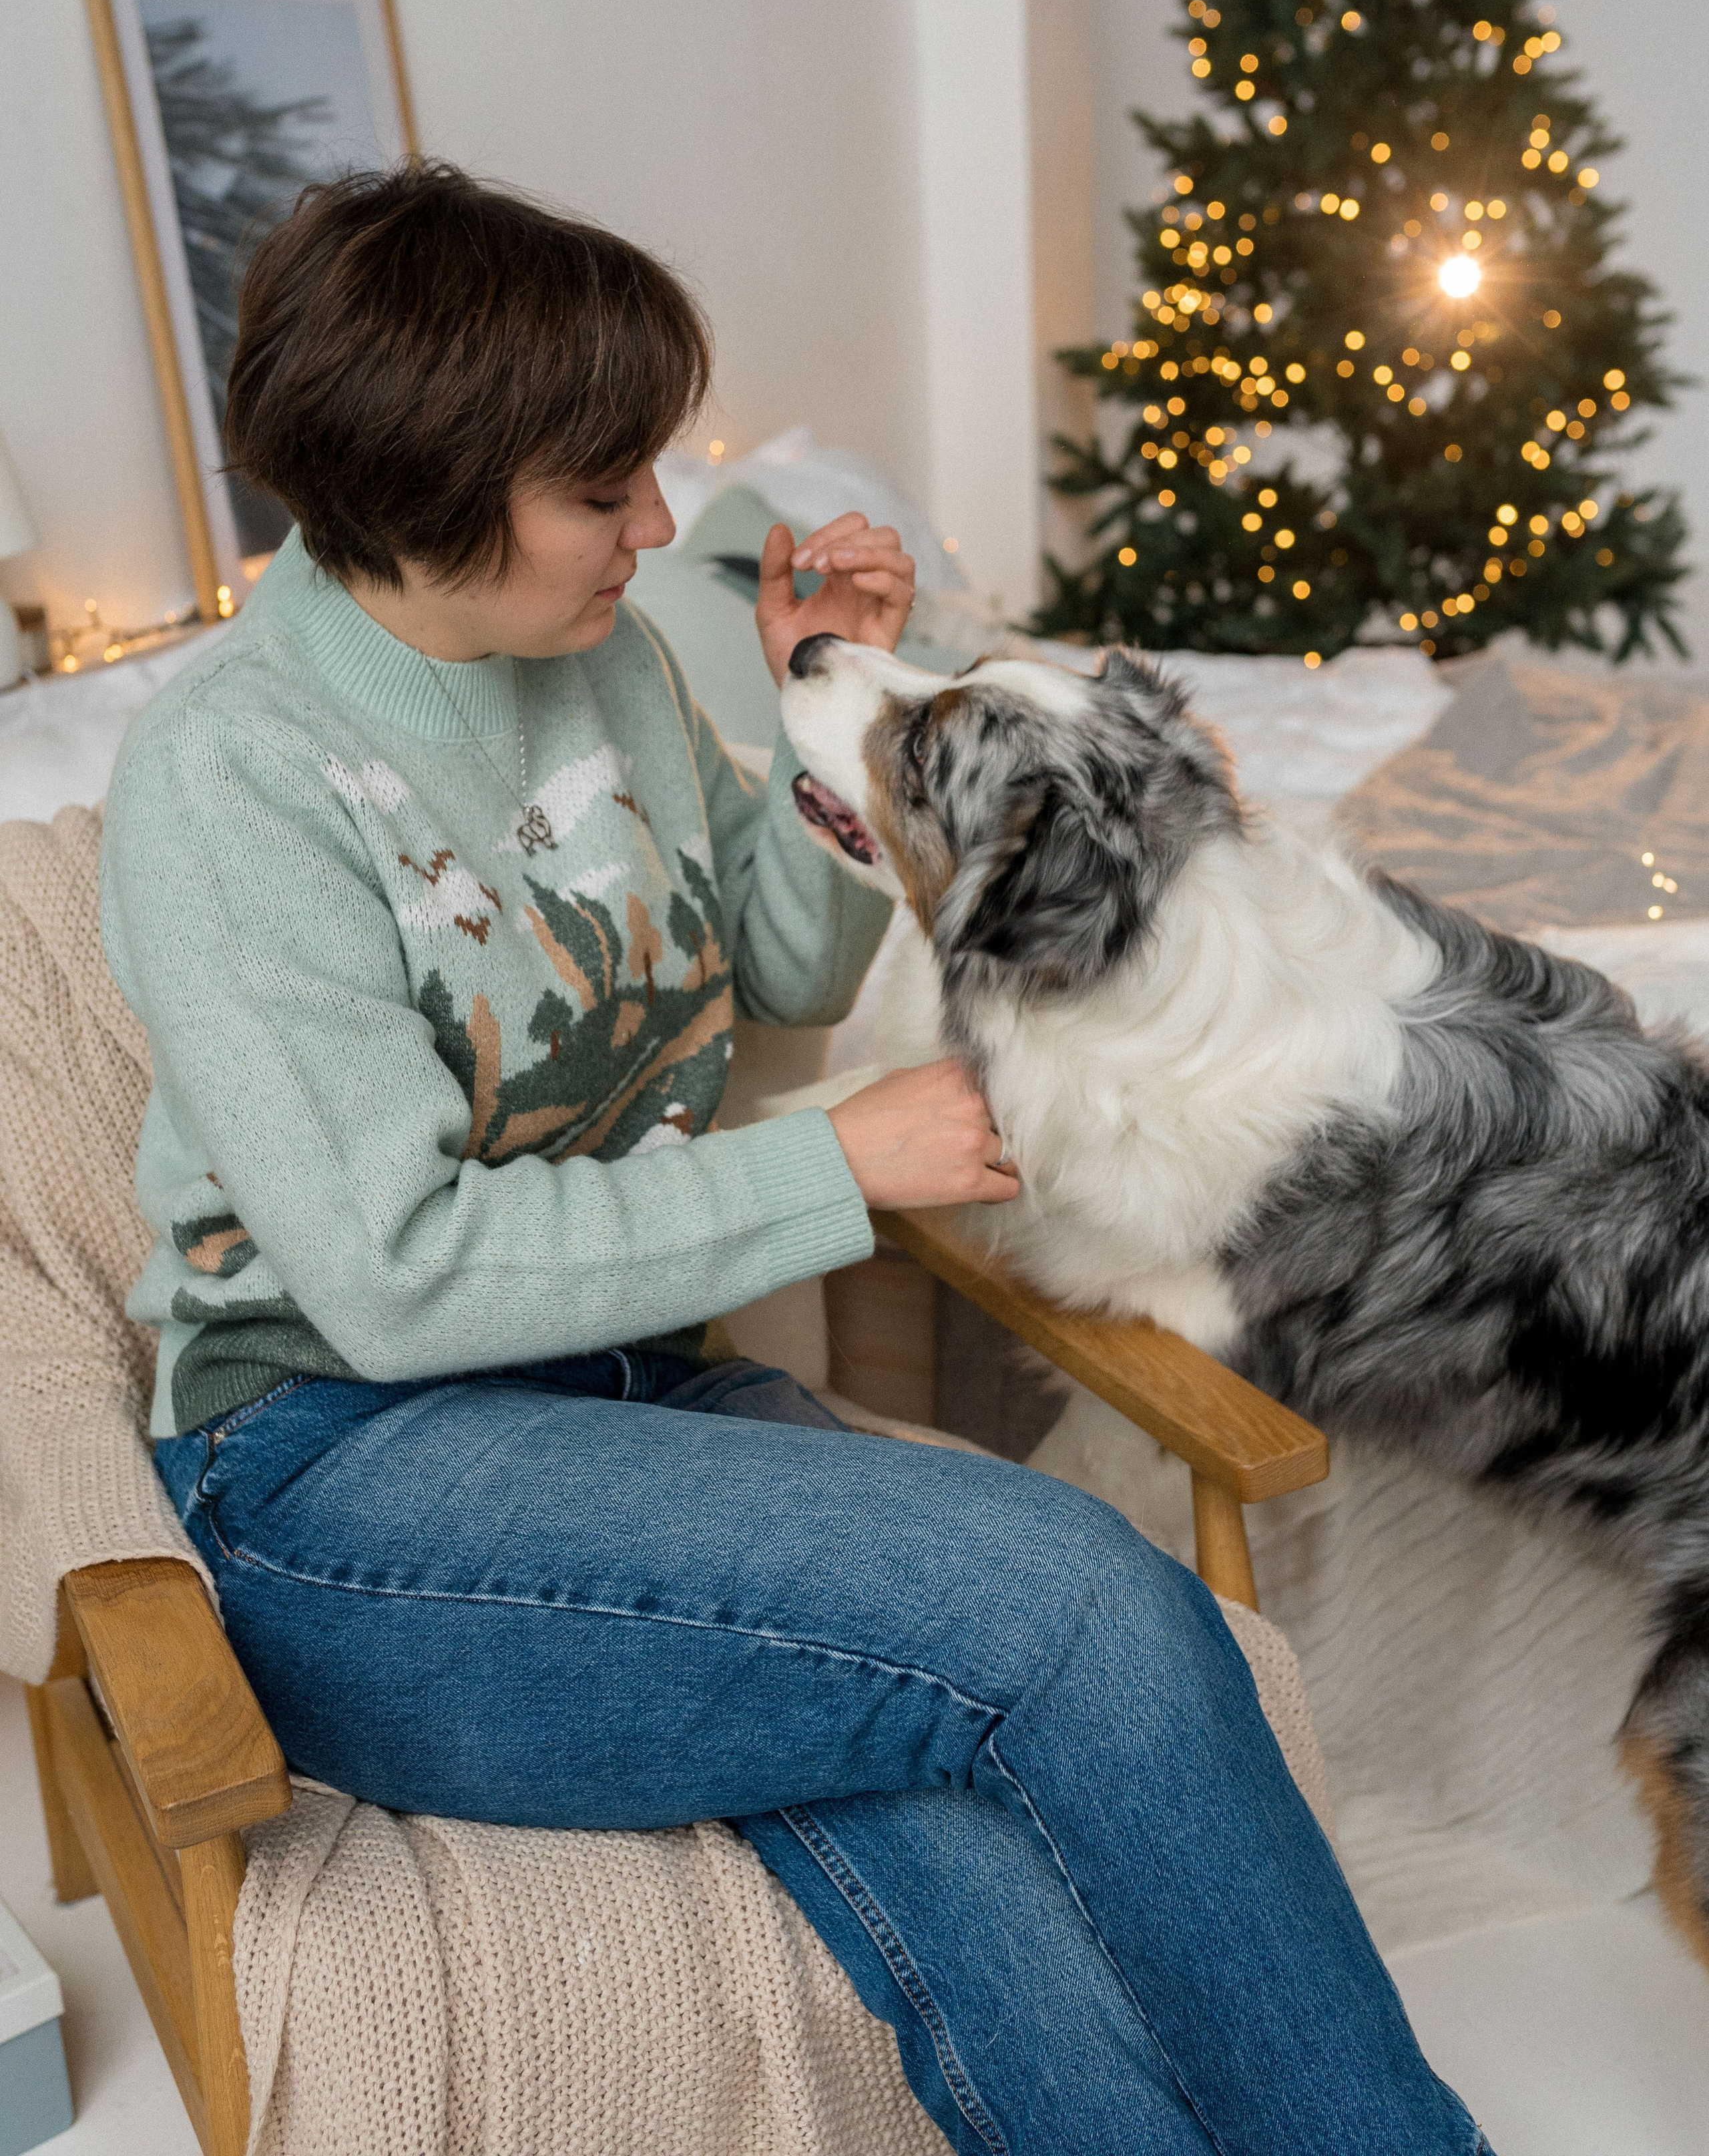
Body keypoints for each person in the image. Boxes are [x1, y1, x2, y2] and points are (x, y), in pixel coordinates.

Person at [106, 162, 1491, 2154]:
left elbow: (767, 971)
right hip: (339, 1476)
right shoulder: (235, 773)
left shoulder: (602, 660)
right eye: (606, 491)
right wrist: (833, 1165)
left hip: (638, 1405)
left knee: (969, 1811)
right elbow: (394, 1274)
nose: (662, 530)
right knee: (1079, 1610)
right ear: (429, 480)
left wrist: (829, 743)